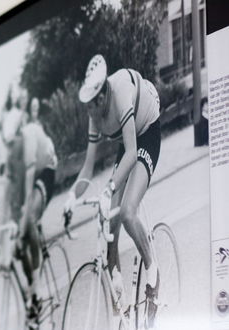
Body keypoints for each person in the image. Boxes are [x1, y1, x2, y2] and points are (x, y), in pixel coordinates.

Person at [64, 54, 161, 327]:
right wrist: (72, 198)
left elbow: (132, 152)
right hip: (129, 144)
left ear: (102, 96)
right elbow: (87, 167)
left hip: (147, 133)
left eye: (93, 107)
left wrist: (109, 187)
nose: (90, 114)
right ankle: (121, 299)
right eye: (88, 108)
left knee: (128, 212)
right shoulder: (94, 115)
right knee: (108, 220)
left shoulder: (120, 92)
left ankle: (153, 274)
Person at [2, 96, 58, 327]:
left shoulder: (27, 141)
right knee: (18, 239)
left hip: (46, 170)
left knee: (29, 221)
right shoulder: (11, 152)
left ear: (19, 136)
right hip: (30, 177)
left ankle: (36, 285)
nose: (10, 148)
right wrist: (10, 231)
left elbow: (26, 195)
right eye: (7, 145)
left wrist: (21, 224)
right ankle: (33, 296)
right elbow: (10, 196)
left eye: (12, 143)